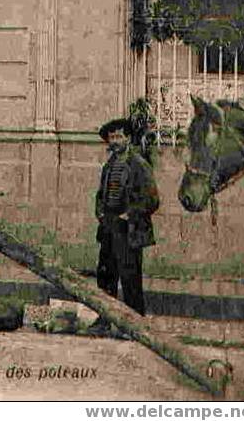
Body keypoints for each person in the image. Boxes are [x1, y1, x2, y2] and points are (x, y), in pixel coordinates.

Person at [90, 117, 160, 331]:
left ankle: (135, 325)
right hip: (109, 227)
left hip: (128, 230)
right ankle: (104, 320)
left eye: (119, 136)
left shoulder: (138, 163)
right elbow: (101, 194)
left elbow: (152, 200)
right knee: (105, 276)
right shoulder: (109, 165)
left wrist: (130, 214)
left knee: (130, 279)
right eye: (112, 137)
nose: (115, 140)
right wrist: (100, 212)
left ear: (128, 138)